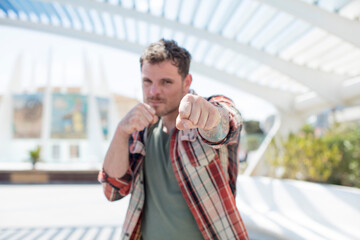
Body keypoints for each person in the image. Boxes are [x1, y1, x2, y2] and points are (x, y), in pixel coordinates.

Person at [98, 39, 249, 240]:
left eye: (166, 82)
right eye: (147, 81)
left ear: (187, 82)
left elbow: (228, 122)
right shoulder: (141, 129)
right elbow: (112, 191)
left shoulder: (202, 113)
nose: (153, 92)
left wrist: (212, 117)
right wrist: (121, 132)